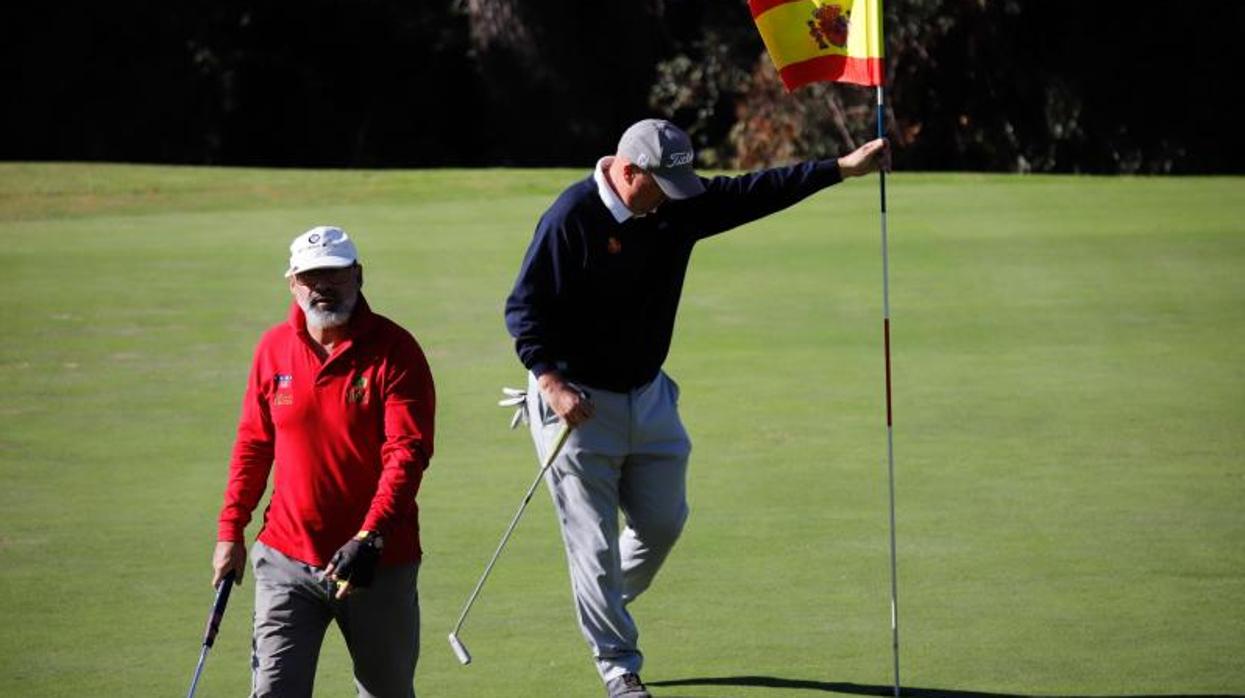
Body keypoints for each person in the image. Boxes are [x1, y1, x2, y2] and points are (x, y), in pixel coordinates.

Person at [504, 119, 889, 698]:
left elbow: (753, 192)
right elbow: (524, 310)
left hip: (649, 393)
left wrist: (839, 169)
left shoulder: (672, 203)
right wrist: (552, 384)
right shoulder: (571, 218)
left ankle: (601, 596)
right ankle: (618, 667)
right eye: (660, 186)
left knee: (662, 523)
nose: (672, 199)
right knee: (594, 543)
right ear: (629, 171)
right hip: (577, 405)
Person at [212, 226, 436, 698]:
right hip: (287, 558)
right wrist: (231, 530)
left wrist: (369, 536)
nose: (323, 287)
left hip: (378, 563)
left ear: (357, 275)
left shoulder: (396, 351)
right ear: (292, 283)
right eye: (311, 277)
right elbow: (254, 444)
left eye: (334, 273)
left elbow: (407, 453)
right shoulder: (273, 348)